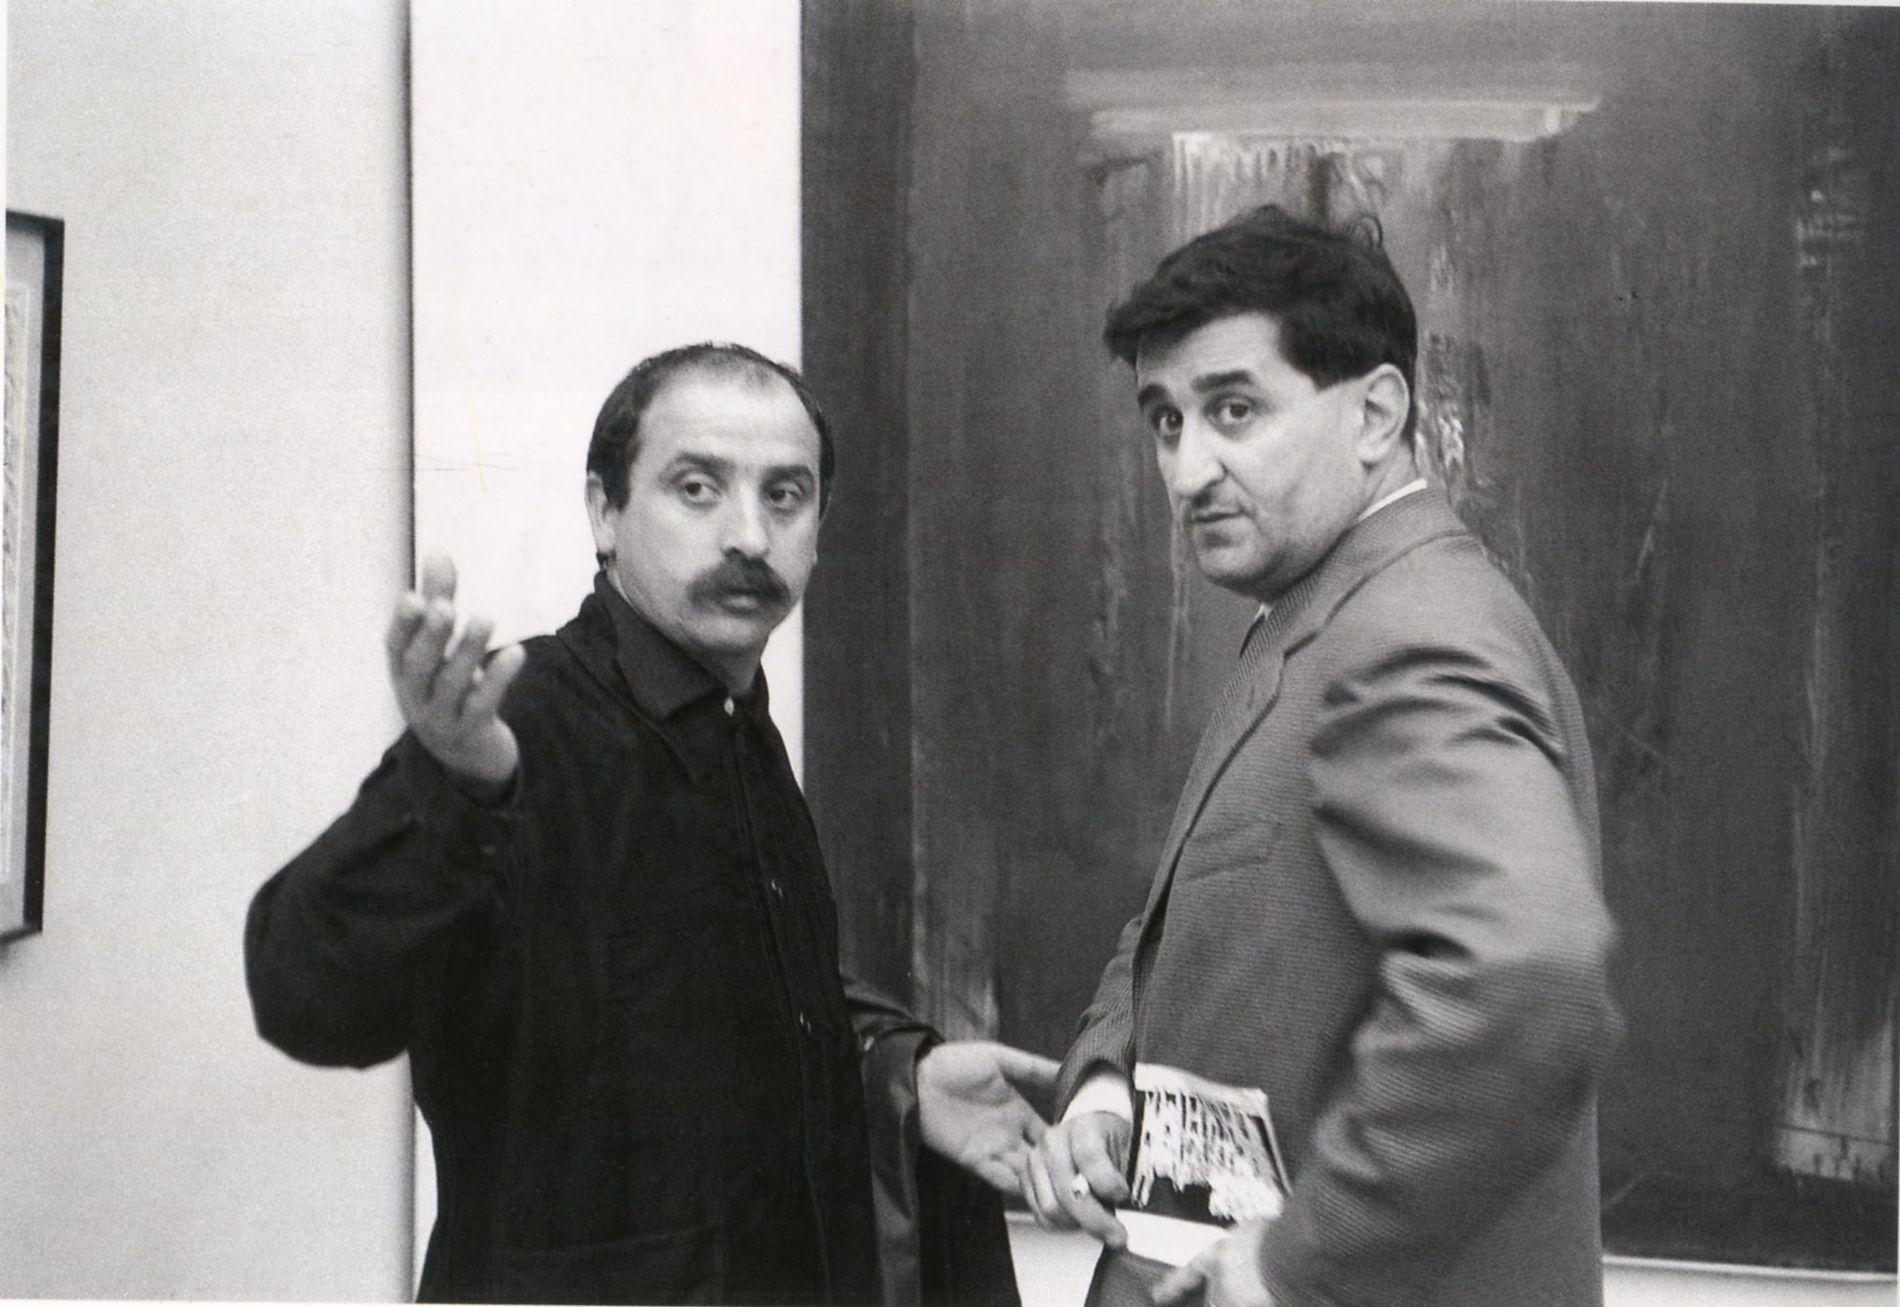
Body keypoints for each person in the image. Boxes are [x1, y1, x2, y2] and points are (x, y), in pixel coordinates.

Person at [246, 343, 1050, 1306]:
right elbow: (302, 994)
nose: (749, 535)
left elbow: (704, 1018)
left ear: (820, 528)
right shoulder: (518, 723)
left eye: (785, 495)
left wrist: (900, 1077)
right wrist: (455, 789)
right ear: (605, 511)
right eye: (697, 488)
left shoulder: (739, 727)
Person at [1022, 206, 1620, 1306]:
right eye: (1165, 420)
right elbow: (1190, 921)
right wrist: (1107, 1083)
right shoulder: (1317, 613)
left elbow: (1525, 983)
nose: (1188, 468)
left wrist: (1303, 1257)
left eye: (1234, 410)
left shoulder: (1412, 631)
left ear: (1375, 413)